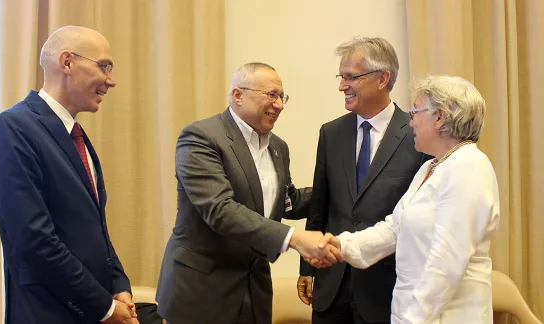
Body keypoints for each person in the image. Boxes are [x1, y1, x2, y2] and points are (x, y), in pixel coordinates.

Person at [155, 62, 342, 324]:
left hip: (254, 292)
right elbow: (220, 210)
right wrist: (295, 238)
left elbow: (286, 202)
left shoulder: (278, 147)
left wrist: (341, 190)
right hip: (202, 293)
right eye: (271, 95)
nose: (279, 105)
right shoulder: (201, 137)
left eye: (282, 96)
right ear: (238, 95)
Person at [313, 75, 500, 323]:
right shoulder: (431, 167)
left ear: (440, 117)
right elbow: (394, 229)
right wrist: (341, 246)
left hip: (447, 314)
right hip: (413, 311)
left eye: (415, 113)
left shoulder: (469, 166)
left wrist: (413, 318)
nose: (410, 123)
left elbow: (447, 261)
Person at [0, 26, 138, 324]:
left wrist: (119, 286)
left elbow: (96, 230)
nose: (111, 81)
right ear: (67, 62)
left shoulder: (77, 137)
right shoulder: (14, 128)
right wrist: (104, 308)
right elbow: (35, 241)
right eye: (104, 66)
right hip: (48, 313)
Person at [298, 36, 430, 324]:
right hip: (331, 286)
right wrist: (307, 268)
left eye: (351, 77)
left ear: (382, 78)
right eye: (341, 76)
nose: (342, 86)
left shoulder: (416, 136)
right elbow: (321, 205)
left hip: (386, 288)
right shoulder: (330, 133)